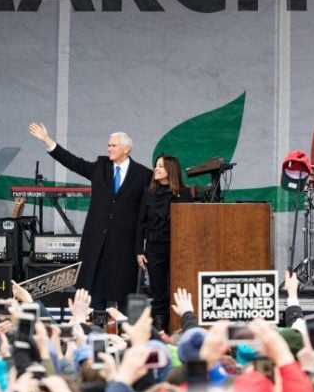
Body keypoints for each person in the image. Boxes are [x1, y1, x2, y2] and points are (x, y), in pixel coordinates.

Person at [28, 123, 152, 309]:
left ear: (126, 148)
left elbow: (145, 212)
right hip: (97, 244)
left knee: (123, 295)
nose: (109, 148)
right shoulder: (100, 167)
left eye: (113, 145)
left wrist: (140, 247)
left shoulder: (143, 174)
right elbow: (73, 162)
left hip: (123, 246)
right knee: (94, 294)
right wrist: (48, 140)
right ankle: (95, 329)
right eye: (108, 145)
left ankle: (126, 333)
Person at [135, 155, 192, 331]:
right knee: (158, 291)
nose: (156, 169)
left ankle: (180, 326)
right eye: (156, 166)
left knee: (179, 288)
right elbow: (140, 223)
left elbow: (190, 224)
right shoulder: (148, 192)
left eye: (160, 166)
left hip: (179, 249)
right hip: (154, 248)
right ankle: (161, 331)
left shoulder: (184, 194)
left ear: (170, 170)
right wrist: (139, 250)